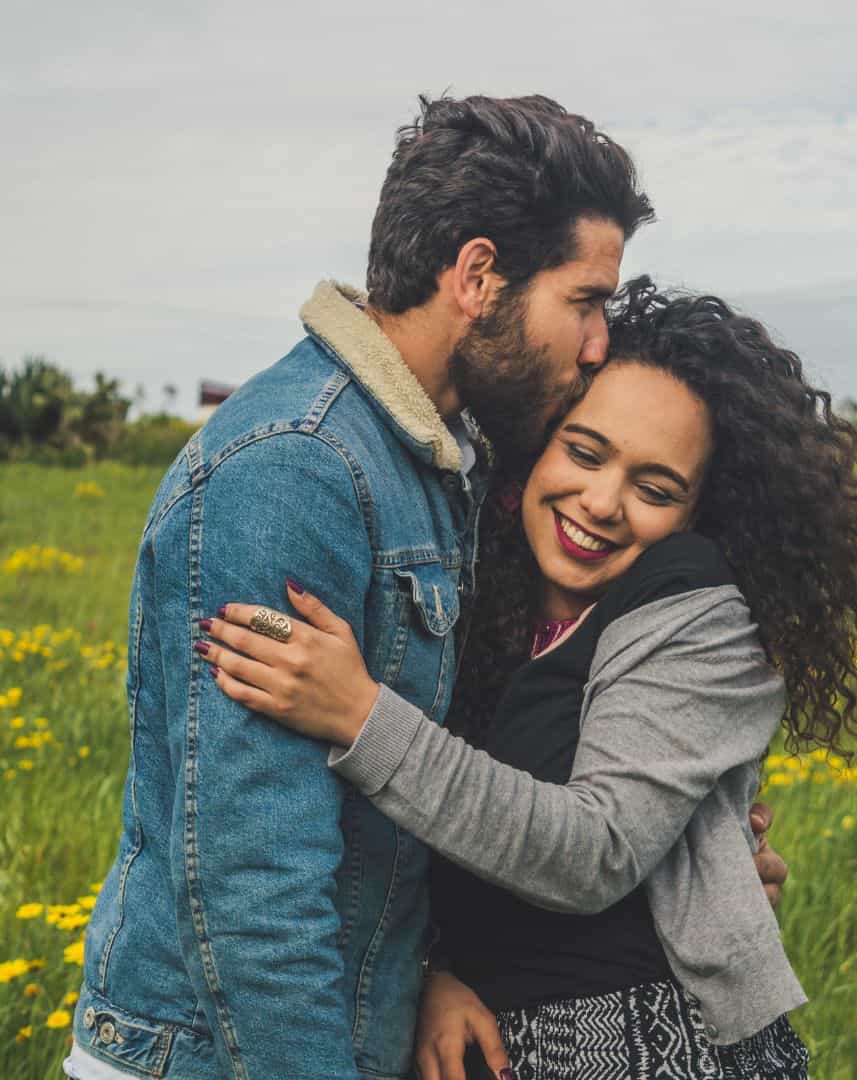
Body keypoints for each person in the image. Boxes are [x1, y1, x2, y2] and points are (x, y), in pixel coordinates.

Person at [66, 98, 787, 1080]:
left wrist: (432, 969)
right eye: (584, 302)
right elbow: (250, 889)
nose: (596, 345)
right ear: (479, 277)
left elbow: (410, 818)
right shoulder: (296, 469)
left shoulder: (445, 461)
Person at [199, 280, 857, 1078]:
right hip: (472, 1038)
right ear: (533, 449)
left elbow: (592, 851)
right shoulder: (472, 597)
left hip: (654, 1046)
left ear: (696, 515)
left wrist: (358, 715)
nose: (602, 502)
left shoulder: (697, 608)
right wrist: (428, 973)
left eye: (655, 490)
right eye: (585, 453)